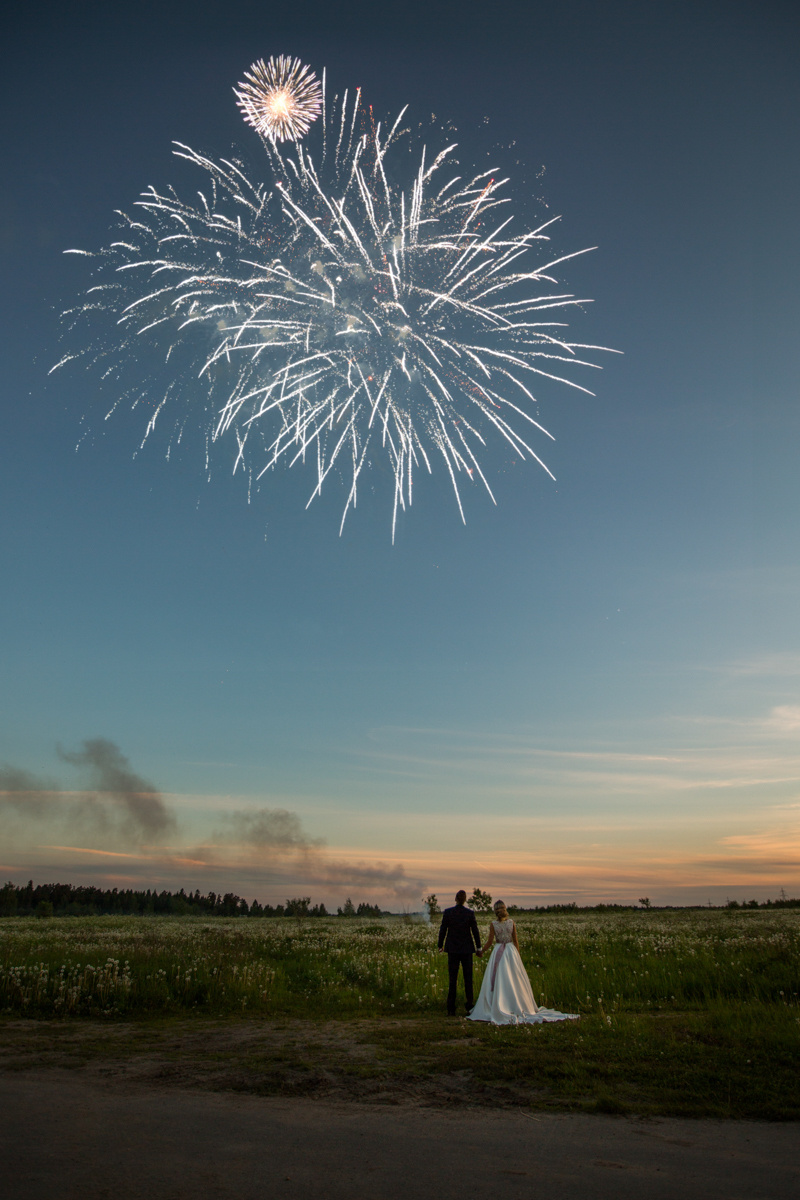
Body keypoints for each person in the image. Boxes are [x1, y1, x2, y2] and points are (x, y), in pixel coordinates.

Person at [468, 900, 578, 1025]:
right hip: (510, 952)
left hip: (499, 951)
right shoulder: (511, 923)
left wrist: (481, 951)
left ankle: (498, 1004)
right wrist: (517, 955)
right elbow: (515, 941)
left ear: (495, 911)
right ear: (504, 909)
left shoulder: (493, 924)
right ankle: (516, 1003)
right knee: (514, 977)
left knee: (499, 978)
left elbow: (489, 942)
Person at [438, 890, 482, 1015]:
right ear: (465, 900)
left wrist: (440, 945)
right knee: (468, 978)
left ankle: (451, 1008)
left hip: (452, 949)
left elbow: (443, 929)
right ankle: (469, 1006)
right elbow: (475, 931)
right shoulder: (469, 913)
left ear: (455, 899)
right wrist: (478, 947)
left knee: (453, 979)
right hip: (467, 950)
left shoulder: (448, 912)